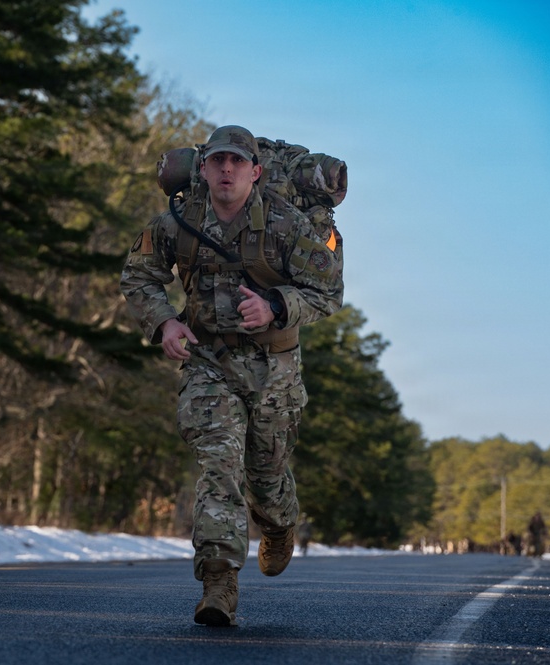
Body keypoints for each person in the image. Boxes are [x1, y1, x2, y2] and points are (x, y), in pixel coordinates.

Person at [120, 126, 344, 626]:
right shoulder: (177, 222)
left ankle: (279, 524)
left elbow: (328, 293)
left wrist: (276, 305)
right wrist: (164, 321)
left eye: (237, 162)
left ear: (256, 172)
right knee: (218, 467)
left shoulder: (286, 226)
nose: (227, 170)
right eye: (218, 160)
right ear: (202, 169)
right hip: (208, 363)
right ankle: (217, 585)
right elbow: (138, 276)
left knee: (266, 476)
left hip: (274, 369)